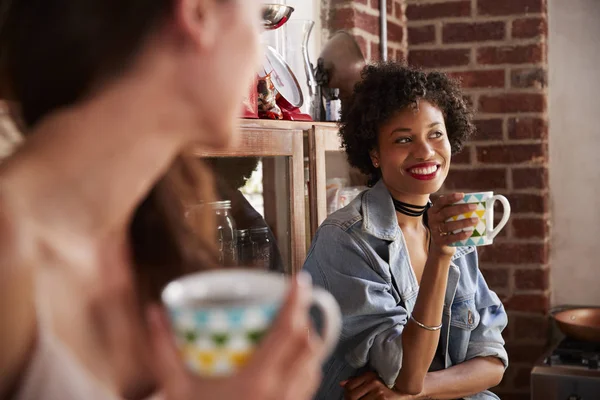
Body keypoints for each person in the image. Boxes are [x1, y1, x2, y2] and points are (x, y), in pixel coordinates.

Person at [0, 1, 327, 400]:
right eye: (257, 17)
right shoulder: (8, 246)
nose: (261, 61)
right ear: (197, 13)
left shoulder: (158, 220)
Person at [303, 63, 508, 400]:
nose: (426, 151)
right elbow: (407, 372)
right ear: (374, 154)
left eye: (435, 134)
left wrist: (412, 394)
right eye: (403, 139)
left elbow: (493, 361)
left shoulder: (451, 227)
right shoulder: (345, 239)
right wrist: (441, 254)